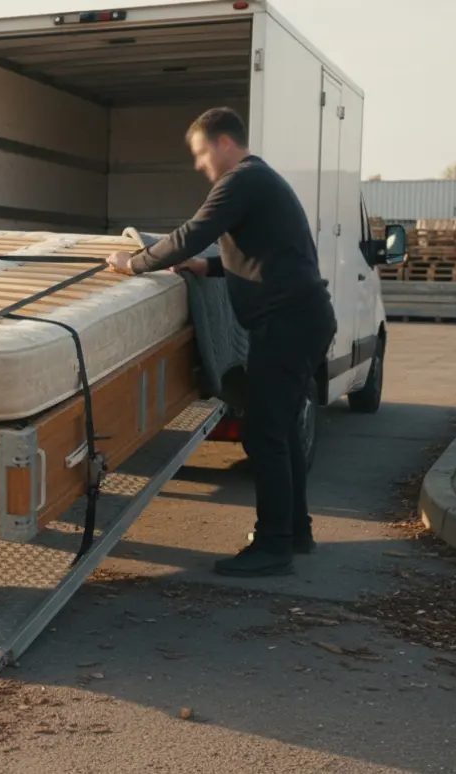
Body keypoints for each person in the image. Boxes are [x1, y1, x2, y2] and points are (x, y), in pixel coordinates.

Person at [105, 107, 336, 578]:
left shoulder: (241, 181)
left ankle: (274, 547)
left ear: (223, 143)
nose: (199, 165)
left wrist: (133, 263)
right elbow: (261, 257)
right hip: (303, 320)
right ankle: (294, 532)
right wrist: (206, 269)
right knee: (284, 428)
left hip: (288, 324)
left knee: (264, 432)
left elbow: (193, 234)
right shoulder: (262, 182)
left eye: (200, 153)